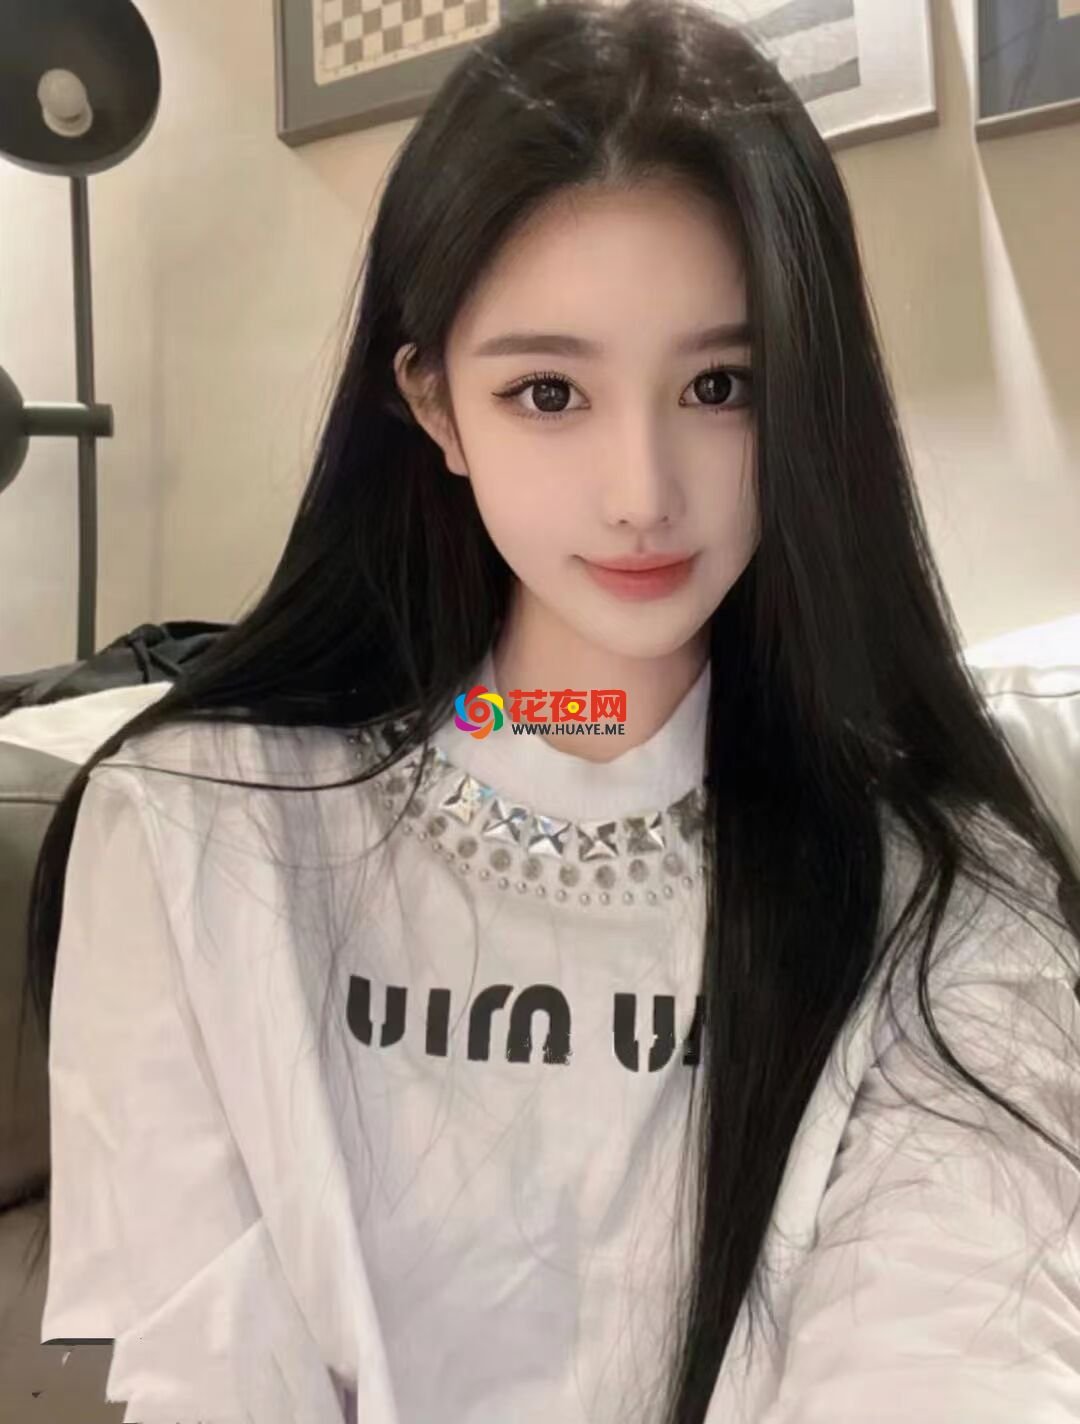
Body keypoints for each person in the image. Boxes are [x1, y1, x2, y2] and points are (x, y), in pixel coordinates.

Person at [18, 1, 1080, 1420]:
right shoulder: (197, 826)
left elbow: (949, 1360)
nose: (642, 491)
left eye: (721, 385)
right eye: (547, 392)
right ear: (432, 406)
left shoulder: (946, 889)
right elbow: (211, 1374)